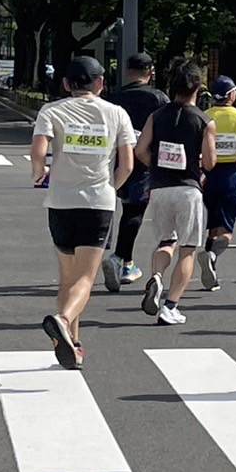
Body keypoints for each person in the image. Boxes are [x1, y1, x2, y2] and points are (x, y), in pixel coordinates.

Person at [31, 56, 137, 368]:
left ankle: (73, 345)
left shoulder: (52, 110)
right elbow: (128, 164)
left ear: (65, 84)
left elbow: (38, 150)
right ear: (101, 83)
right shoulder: (116, 113)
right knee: (86, 279)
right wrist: (111, 188)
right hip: (97, 202)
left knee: (67, 277)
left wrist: (40, 173)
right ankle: (64, 321)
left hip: (60, 202)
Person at [135, 60, 216, 325]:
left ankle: (156, 277)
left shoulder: (156, 116)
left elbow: (140, 149)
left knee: (165, 242)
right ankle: (170, 306)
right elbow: (209, 162)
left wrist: (156, 165)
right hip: (188, 189)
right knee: (188, 249)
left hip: (159, 188)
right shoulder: (204, 121)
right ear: (198, 87)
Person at [103, 52, 169, 292]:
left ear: (128, 72)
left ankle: (121, 259)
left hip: (118, 158)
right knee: (135, 210)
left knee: (120, 208)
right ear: (149, 73)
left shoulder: (115, 98)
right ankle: (120, 258)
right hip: (146, 160)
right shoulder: (159, 98)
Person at [201, 75, 236, 291]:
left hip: (208, 173)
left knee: (213, 224)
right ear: (230, 95)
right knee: (226, 229)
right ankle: (212, 254)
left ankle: (211, 268)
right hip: (231, 173)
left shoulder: (205, 116)